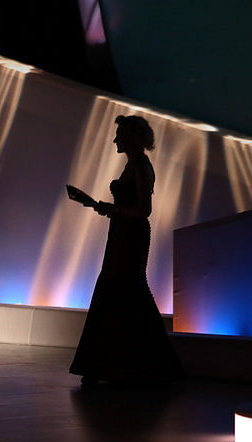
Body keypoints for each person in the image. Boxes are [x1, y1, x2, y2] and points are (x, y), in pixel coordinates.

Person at [69, 115, 183, 386]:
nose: (115, 139)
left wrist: (112, 209)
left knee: (127, 288)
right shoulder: (133, 165)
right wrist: (108, 210)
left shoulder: (141, 166)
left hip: (131, 236)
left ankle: (132, 365)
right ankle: (119, 365)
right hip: (122, 233)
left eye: (120, 134)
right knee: (121, 289)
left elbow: (144, 211)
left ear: (133, 137)